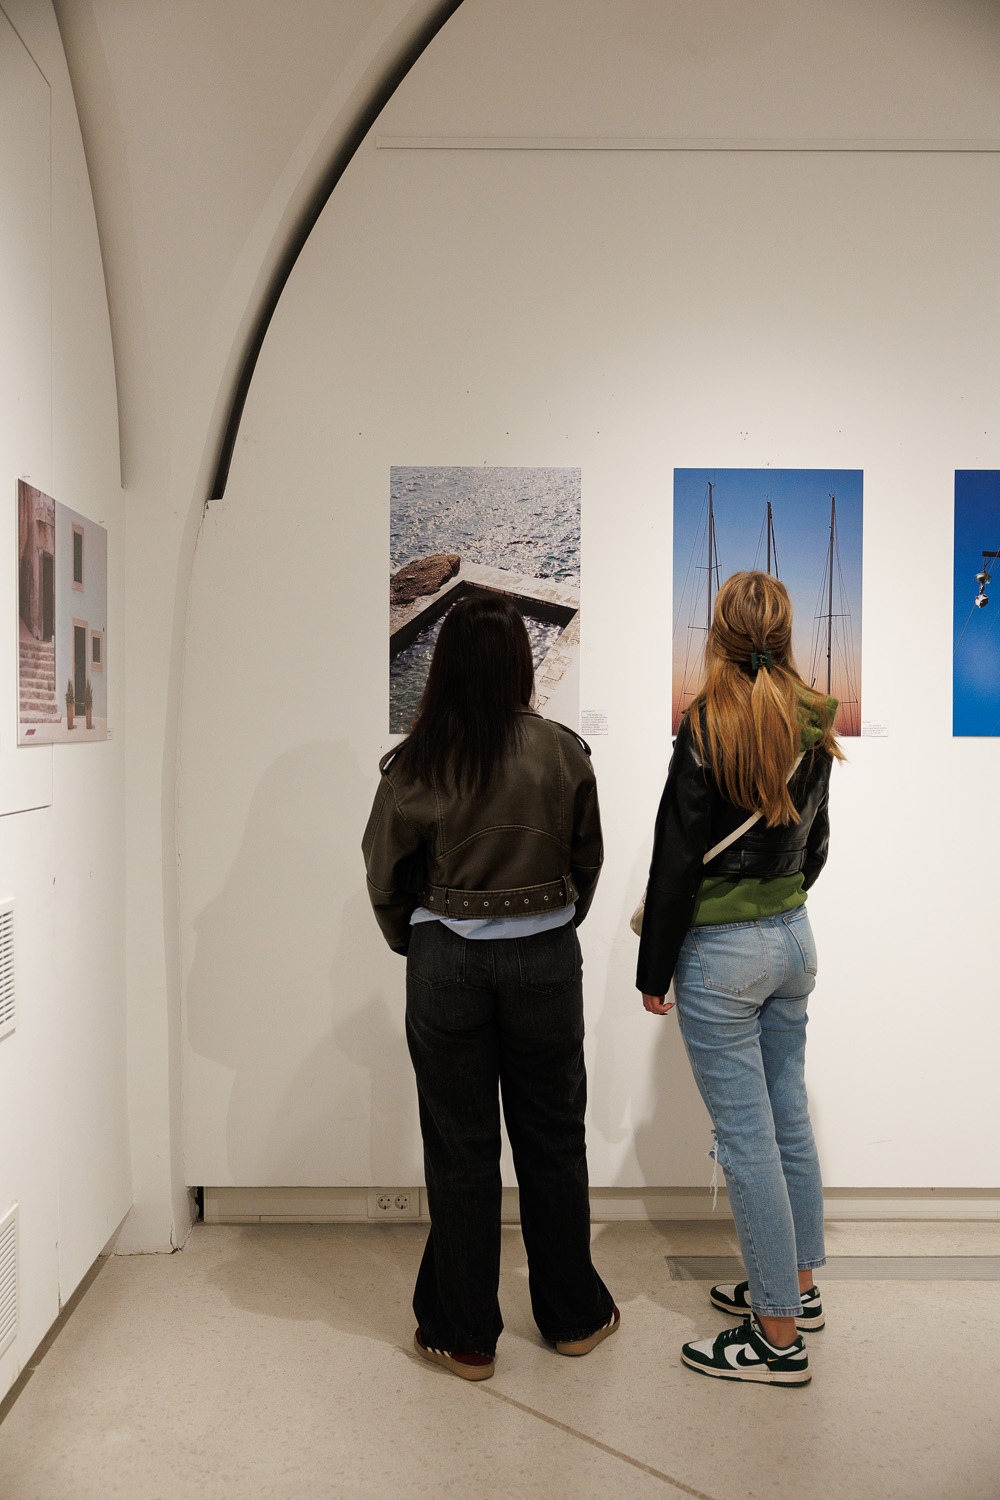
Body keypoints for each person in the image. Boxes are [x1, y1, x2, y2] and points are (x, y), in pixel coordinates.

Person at [363, 592, 617, 1382]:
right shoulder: (563, 751)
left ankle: (463, 1334)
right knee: (553, 1138)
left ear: (443, 669)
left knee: (461, 1149)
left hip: (447, 966)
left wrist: (416, 936)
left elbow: (384, 872)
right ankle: (573, 1317)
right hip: (544, 957)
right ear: (519, 662)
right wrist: (546, 927)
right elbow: (588, 860)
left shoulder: (417, 762)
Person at [638, 570, 843, 1387]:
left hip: (723, 954)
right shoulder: (819, 715)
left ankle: (776, 1339)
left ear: (716, 634)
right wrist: (781, 907)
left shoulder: (706, 719)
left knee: (746, 1140)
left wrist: (656, 969)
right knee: (787, 1117)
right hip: (795, 939)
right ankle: (795, 1283)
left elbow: (677, 854)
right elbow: (816, 841)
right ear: (787, 633)